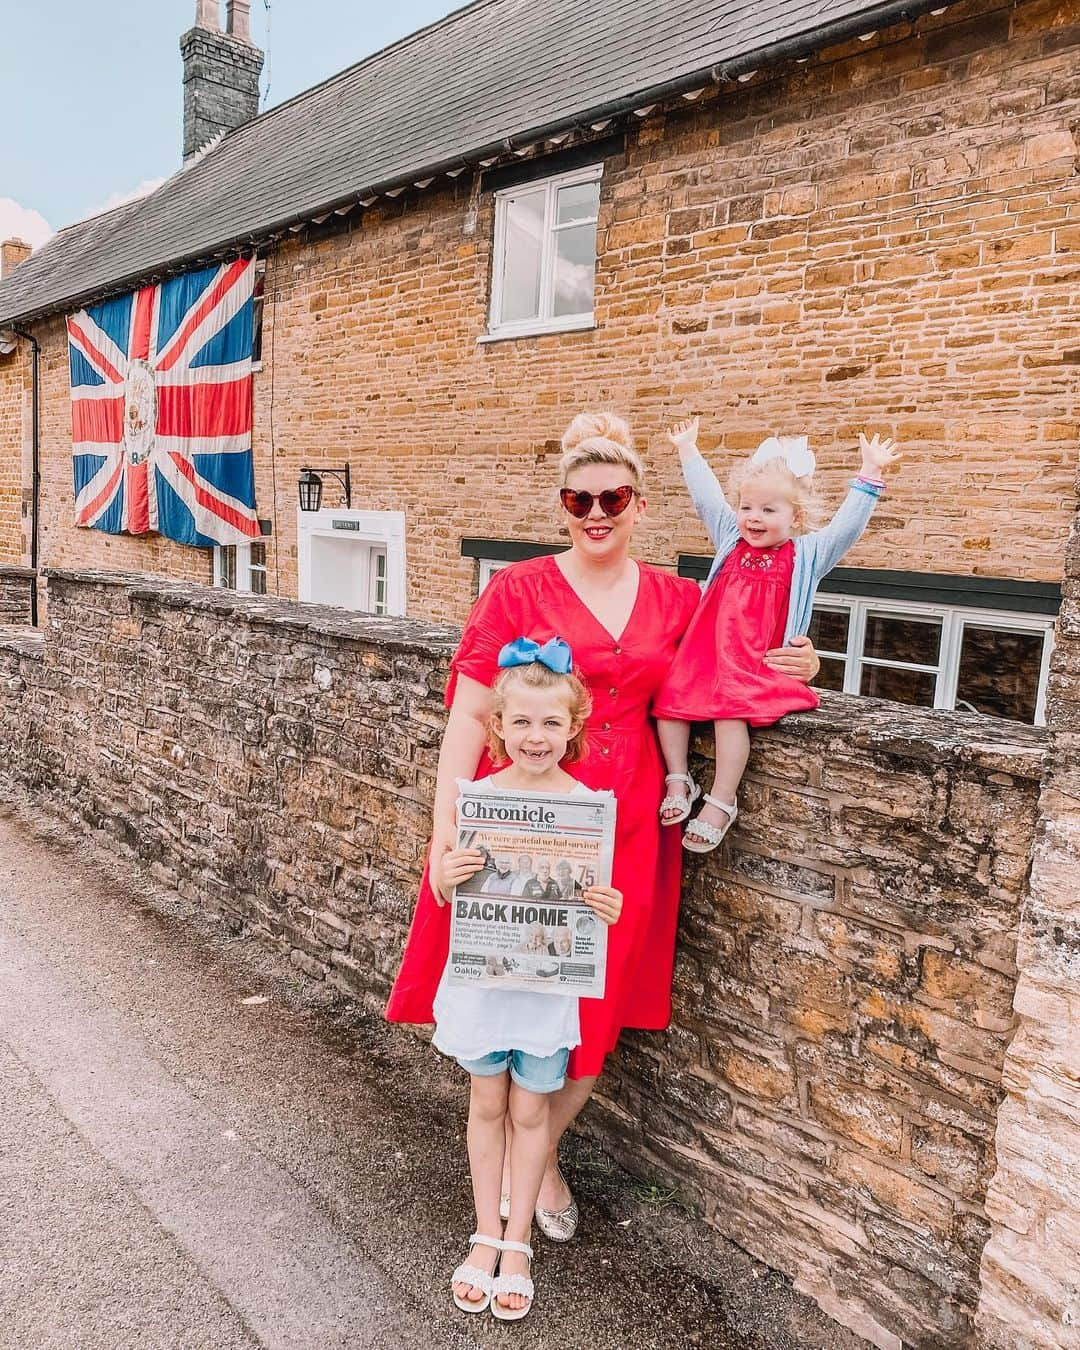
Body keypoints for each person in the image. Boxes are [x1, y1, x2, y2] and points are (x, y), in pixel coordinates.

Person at [386, 410, 820, 1240]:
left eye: (611, 497)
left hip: (632, 821)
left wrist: (804, 660)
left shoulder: (682, 596)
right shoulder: (516, 589)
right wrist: (445, 829)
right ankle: (528, 1166)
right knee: (517, 985)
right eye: (578, 499)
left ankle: (539, 1149)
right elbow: (470, 715)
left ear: (638, 504)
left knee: (597, 997)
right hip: (524, 810)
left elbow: (736, 660)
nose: (595, 513)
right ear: (562, 505)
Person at [434, 641, 622, 1320]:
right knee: (487, 1106)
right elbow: (443, 890)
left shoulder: (589, 807)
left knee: (531, 1109)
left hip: (545, 994)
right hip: (486, 986)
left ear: (573, 727)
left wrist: (609, 906)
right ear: (498, 728)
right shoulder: (475, 799)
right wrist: (449, 875)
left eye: (550, 723)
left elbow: (596, 901)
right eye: (521, 723)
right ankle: (486, 1233)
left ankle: (519, 1247)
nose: (535, 737)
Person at [654, 417, 900, 851]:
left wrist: (870, 475)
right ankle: (679, 779)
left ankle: (721, 800)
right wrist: (688, 450)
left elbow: (846, 529)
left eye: (769, 510)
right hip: (706, 654)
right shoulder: (730, 539)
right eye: (747, 507)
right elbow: (707, 501)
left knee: (729, 716)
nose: (754, 518)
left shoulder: (806, 554)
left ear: (795, 516)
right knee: (669, 701)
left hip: (751, 663)